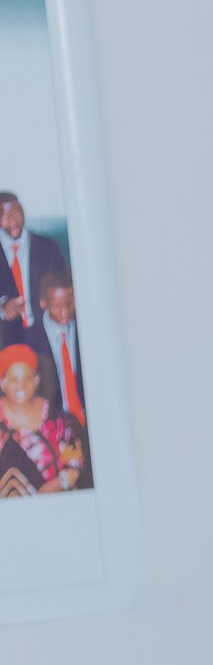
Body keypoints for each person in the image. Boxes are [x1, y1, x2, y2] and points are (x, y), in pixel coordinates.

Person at [0, 342, 85, 496]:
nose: (21, 386)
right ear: (2, 383)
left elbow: (75, 463)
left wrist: (54, 486)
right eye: (13, 380)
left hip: (56, 503)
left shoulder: (58, 418)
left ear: (36, 380)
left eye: (27, 378)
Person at [0, 193, 66, 341]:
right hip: (7, 339)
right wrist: (3, 307)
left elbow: (65, 287)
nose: (13, 222)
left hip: (48, 336)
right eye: (5, 217)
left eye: (16, 213)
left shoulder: (48, 247)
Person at [34, 277, 80, 423]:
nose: (65, 312)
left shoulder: (84, 327)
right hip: (54, 421)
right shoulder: (33, 338)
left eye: (69, 303)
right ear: (44, 303)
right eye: (57, 306)